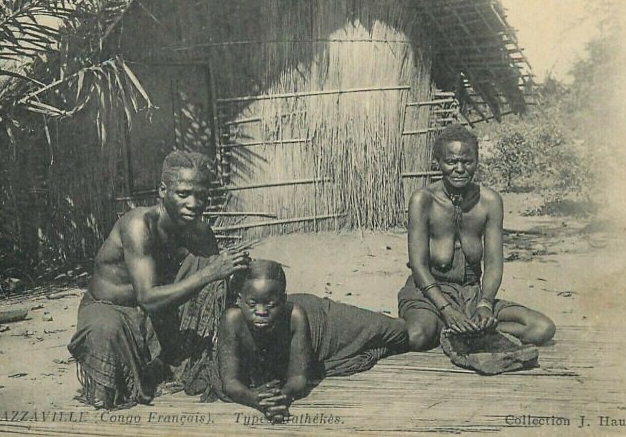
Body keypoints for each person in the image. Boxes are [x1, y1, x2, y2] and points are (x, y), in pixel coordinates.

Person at [68, 151, 251, 409]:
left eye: (201, 195)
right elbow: (147, 298)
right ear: (163, 190)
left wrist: (236, 272)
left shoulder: (200, 232)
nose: (194, 203)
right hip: (112, 310)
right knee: (106, 345)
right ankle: (150, 366)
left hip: (159, 316)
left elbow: (214, 290)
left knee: (208, 269)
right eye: (184, 193)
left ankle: (164, 363)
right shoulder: (139, 225)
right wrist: (212, 271)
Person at [398, 124, 556, 351]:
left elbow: (493, 264)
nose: (459, 168)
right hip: (428, 294)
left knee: (542, 328)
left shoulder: (489, 202)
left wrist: (485, 304)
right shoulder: (423, 200)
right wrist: (447, 310)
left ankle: (465, 329)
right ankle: (451, 325)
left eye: (467, 161)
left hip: (471, 295)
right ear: (438, 163)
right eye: (451, 162)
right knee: (417, 336)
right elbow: (418, 266)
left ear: (477, 161)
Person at [218, 259, 408, 422]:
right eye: (252, 304)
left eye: (270, 304)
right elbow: (230, 382)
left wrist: (284, 395)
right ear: (240, 300)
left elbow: (299, 378)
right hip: (311, 326)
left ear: (283, 301)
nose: (261, 311)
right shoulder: (232, 320)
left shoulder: (295, 315)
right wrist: (257, 400)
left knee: (403, 333)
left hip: (323, 321)